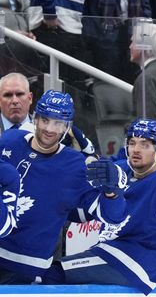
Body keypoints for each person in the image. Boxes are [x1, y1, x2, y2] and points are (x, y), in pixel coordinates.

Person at [0, 90, 127, 284]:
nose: (50, 128)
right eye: (46, 120)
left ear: (68, 126)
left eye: (58, 123)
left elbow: (112, 217)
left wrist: (112, 192)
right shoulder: (10, 140)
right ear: (36, 118)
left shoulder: (76, 165)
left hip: (26, 269)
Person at [59, 119, 156, 294]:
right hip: (108, 253)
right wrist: (87, 156)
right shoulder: (121, 169)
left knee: (56, 274)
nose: (136, 149)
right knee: (55, 273)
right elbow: (84, 206)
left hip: (138, 264)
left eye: (145, 145)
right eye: (132, 143)